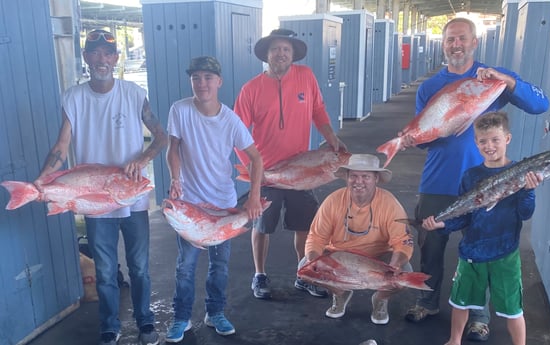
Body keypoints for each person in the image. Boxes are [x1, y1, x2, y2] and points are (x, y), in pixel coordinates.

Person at [402, 17, 549, 342]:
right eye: (450, 39)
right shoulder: (429, 86)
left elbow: (541, 104)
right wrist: (416, 138)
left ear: (474, 43)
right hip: (438, 180)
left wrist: (508, 81)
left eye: (462, 39)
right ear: (444, 44)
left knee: (481, 249)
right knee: (430, 244)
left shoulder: (491, 78)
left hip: (488, 183)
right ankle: (426, 301)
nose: (456, 45)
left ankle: (479, 317)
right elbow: (425, 137)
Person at [35, 29, 168, 345]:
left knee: (139, 268)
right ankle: (110, 326)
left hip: (132, 199)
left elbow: (161, 136)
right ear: (86, 58)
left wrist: (144, 156)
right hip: (94, 201)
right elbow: (62, 145)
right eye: (95, 52)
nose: (102, 59)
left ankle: (145, 323)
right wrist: (42, 180)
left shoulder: (134, 93)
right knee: (106, 272)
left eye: (108, 53)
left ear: (116, 58)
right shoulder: (73, 98)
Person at [234, 28, 347, 300]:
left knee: (305, 226)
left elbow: (318, 110)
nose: (281, 54)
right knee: (262, 227)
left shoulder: (306, 77)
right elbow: (236, 132)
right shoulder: (251, 89)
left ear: (293, 53)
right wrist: (251, 169)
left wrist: (332, 137)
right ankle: (259, 274)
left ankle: (303, 274)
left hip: (301, 170)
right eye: (275, 49)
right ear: (267, 54)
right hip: (267, 173)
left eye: (286, 49)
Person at [164, 56, 263, 343]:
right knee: (186, 266)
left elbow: (256, 159)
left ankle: (215, 312)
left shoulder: (230, 119)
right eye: (196, 78)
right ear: (190, 81)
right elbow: (174, 148)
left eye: (208, 78)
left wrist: (253, 197)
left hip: (223, 205)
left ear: (219, 82)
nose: (202, 83)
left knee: (219, 265)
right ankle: (181, 318)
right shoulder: (179, 110)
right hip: (191, 203)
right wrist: (175, 178)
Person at [422, 111, 542, 345]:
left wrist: (528, 190)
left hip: (505, 252)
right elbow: (464, 217)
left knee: (513, 308)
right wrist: (442, 223)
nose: (489, 146)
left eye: (495, 140)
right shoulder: (471, 175)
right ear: (476, 143)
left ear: (507, 138)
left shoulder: (522, 172)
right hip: (471, 252)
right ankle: (454, 340)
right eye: (483, 141)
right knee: (461, 302)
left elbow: (525, 214)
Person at [303, 154, 414, 324]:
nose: (358, 181)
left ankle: (380, 299)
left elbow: (402, 241)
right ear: (347, 178)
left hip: (378, 257)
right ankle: (340, 293)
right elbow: (316, 237)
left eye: (365, 176)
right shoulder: (333, 201)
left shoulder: (390, 203)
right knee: (305, 269)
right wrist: (313, 262)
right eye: (353, 176)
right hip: (339, 257)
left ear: (376, 178)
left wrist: (395, 266)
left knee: (405, 277)